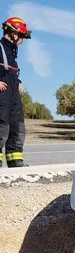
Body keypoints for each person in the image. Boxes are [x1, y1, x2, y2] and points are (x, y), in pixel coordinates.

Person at [0, 17, 31, 167]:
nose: (22, 41)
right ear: (12, 32)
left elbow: (9, 73)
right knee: (1, 129)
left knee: (17, 129)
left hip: (13, 96)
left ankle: (16, 165)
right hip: (2, 97)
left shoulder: (12, 53)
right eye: (22, 36)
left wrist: (17, 82)